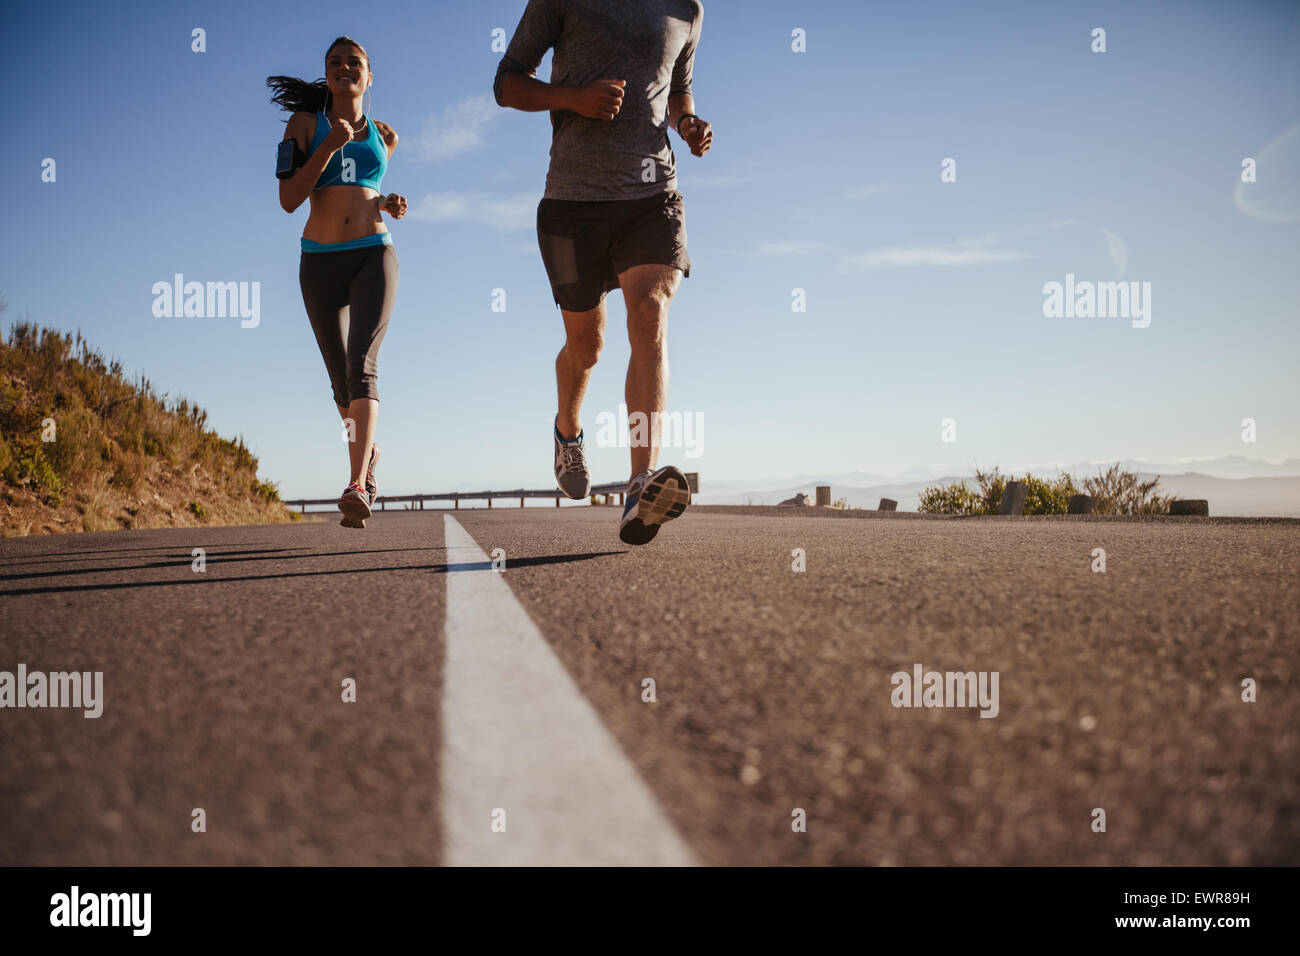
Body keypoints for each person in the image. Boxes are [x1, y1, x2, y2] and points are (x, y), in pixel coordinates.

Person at [494, 0, 711, 545]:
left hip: (652, 195)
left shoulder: (687, 9)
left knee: (650, 313)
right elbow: (507, 83)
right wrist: (571, 98)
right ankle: (568, 429)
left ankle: (641, 482)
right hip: (572, 202)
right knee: (587, 347)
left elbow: (678, 84)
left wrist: (686, 121)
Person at [268, 36, 406, 528]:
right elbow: (289, 199)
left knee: (362, 365)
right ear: (326, 76)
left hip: (374, 254)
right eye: (335, 63)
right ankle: (368, 458)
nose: (345, 68)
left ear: (370, 77)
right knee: (339, 383)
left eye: (355, 63)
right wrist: (327, 144)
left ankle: (355, 485)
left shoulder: (385, 135)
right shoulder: (304, 125)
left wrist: (385, 202)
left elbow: (363, 189)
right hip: (319, 262)